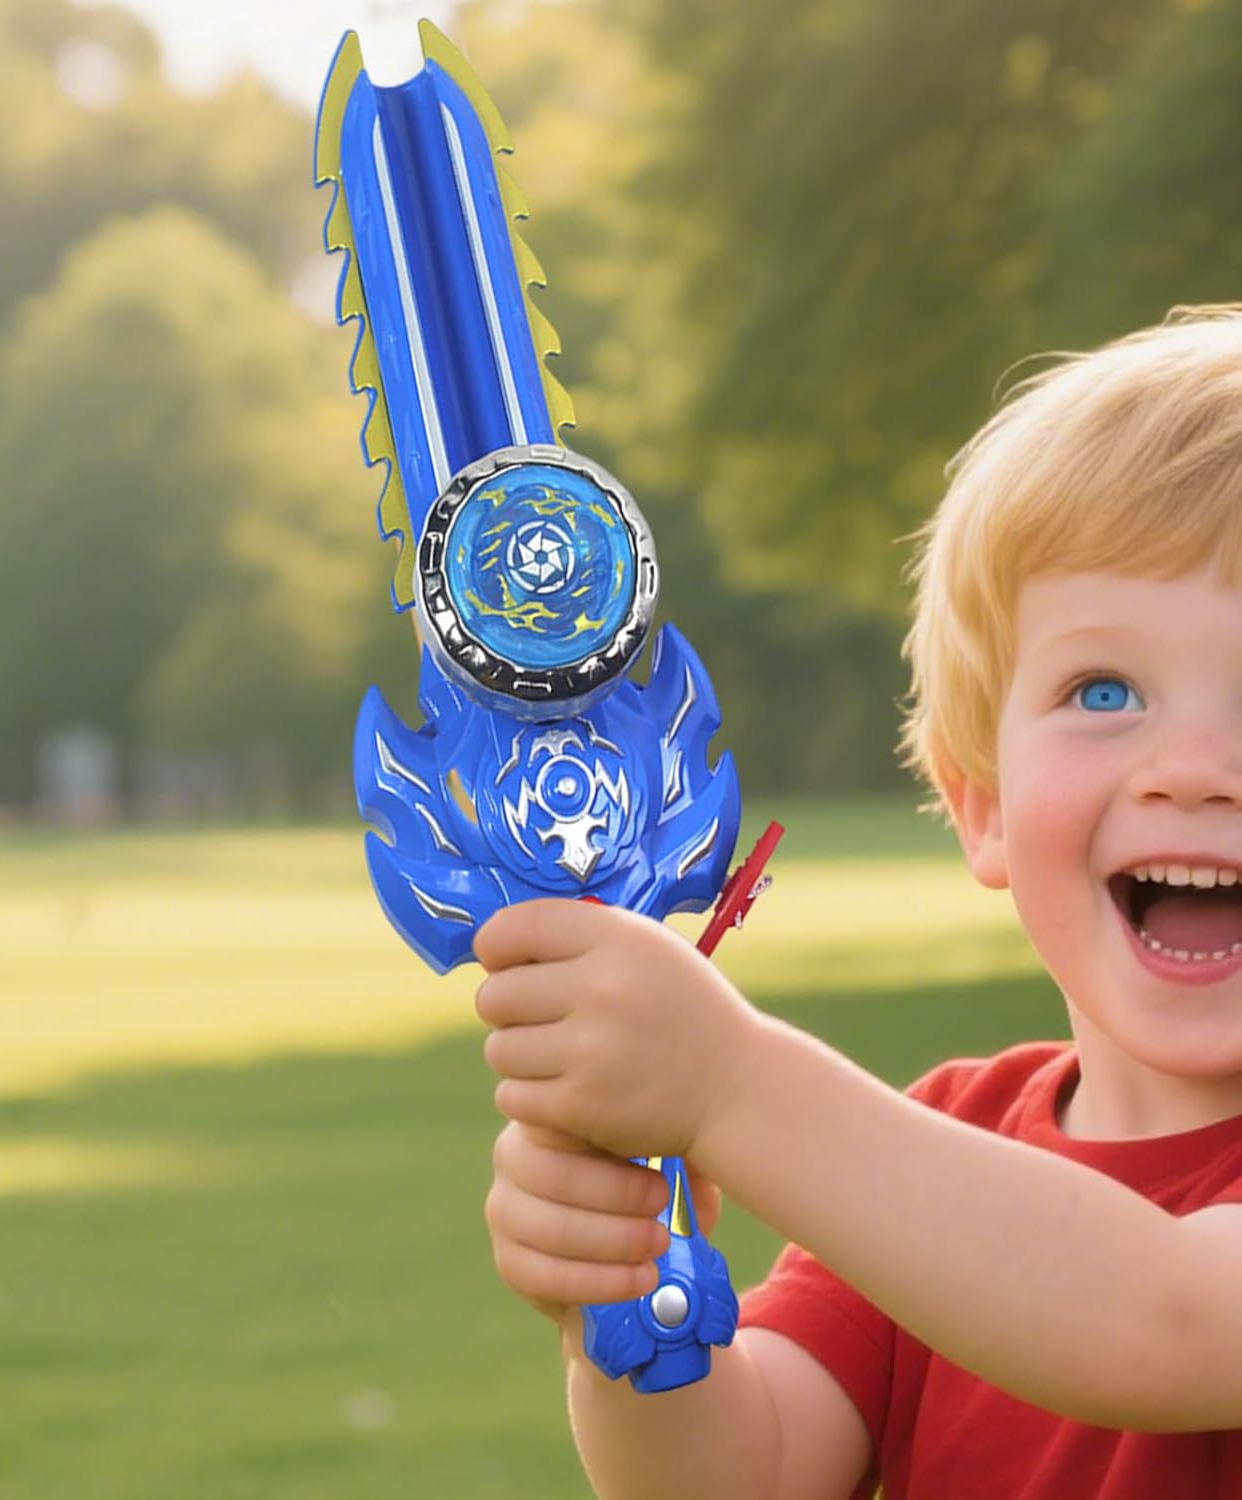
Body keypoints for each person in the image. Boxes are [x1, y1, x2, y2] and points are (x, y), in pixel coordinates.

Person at [473, 304, 1242, 1499]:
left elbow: (1163, 1321)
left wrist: (727, 1083)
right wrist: (623, 1298)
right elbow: (747, 1476)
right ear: (983, 802)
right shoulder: (945, 1144)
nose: (1190, 769)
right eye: (1103, 691)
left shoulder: (895, 1178)